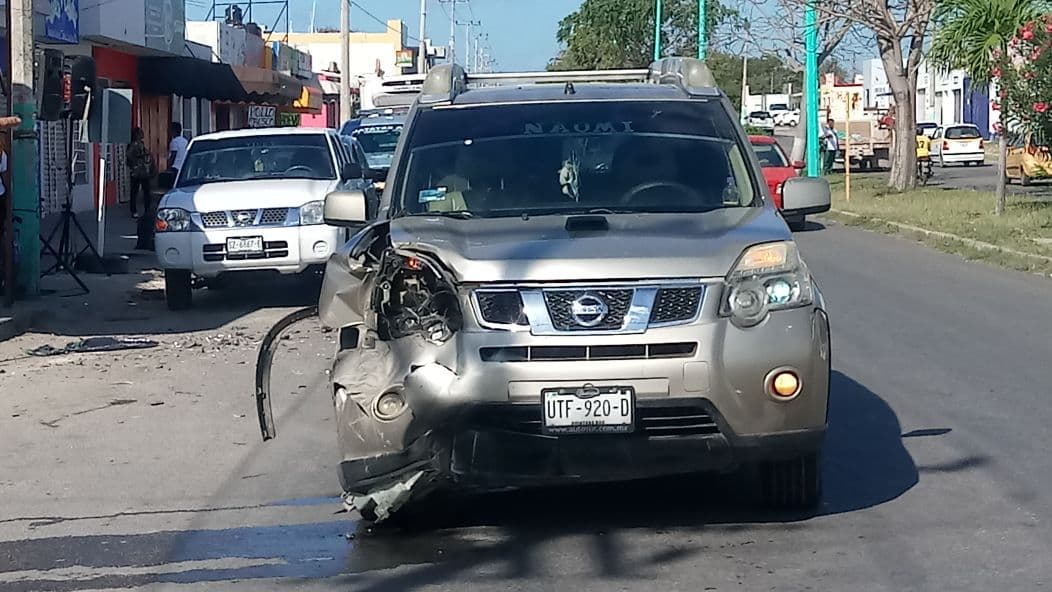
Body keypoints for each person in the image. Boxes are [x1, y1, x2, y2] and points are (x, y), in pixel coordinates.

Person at [125, 128, 155, 218]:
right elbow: (129, 156)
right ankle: (133, 210)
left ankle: (147, 210)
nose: (142, 135)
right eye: (140, 133)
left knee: (146, 191)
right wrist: (137, 160)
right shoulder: (133, 144)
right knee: (135, 191)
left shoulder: (141, 144)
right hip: (136, 171)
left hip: (144, 171)